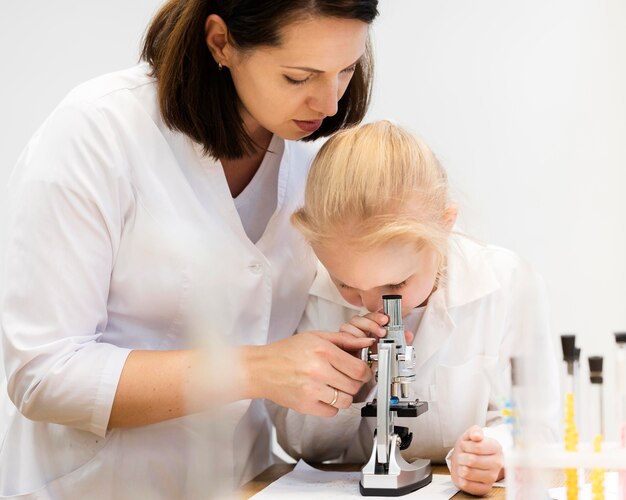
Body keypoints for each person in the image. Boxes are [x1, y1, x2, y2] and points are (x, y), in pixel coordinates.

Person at [0, 1, 380, 497]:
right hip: (91, 485)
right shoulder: (97, 131)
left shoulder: (315, 154)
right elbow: (44, 374)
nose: (329, 104)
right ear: (220, 42)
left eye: (346, 71)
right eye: (297, 77)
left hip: (243, 480)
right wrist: (254, 369)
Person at [268, 120, 561, 496]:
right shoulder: (309, 290)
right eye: (348, 286)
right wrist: (344, 388)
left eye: (396, 285)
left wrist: (494, 451)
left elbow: (538, 430)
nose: (376, 306)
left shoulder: (509, 284)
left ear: (444, 227)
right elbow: (301, 447)